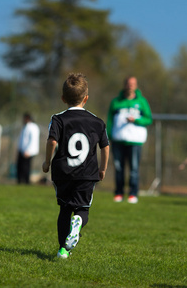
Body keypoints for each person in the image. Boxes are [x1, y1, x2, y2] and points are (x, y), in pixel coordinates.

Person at [42, 73, 109, 259]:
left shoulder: (58, 119)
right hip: (87, 173)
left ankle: (63, 250)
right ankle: (78, 221)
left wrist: (47, 162)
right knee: (82, 209)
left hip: (63, 172)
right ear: (86, 98)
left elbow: (52, 141)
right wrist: (102, 168)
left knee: (64, 210)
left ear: (63, 98)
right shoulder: (97, 122)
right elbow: (105, 146)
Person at [106, 76, 152, 204]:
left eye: (133, 84)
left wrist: (136, 120)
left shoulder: (142, 102)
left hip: (135, 141)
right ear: (124, 85)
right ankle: (119, 193)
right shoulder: (116, 101)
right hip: (118, 140)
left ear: (136, 86)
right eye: (128, 83)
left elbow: (149, 119)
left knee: (134, 169)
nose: (130, 86)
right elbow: (109, 120)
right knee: (119, 168)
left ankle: (133, 194)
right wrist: (108, 136)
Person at [16, 113, 40, 184]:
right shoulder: (25, 127)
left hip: (28, 152)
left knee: (26, 167)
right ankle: (19, 181)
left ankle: (26, 182)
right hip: (22, 150)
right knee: (20, 167)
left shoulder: (33, 127)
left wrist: (28, 150)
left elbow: (33, 140)